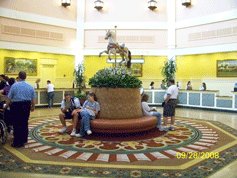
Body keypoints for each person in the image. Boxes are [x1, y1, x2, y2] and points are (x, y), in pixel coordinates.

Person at [6, 71, 35, 147]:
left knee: (16, 123)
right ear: (26, 77)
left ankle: (17, 142)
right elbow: (33, 98)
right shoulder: (30, 86)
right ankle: (24, 139)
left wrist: (6, 106)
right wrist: (33, 106)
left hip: (16, 106)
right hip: (26, 105)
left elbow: (9, 98)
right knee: (24, 122)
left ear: (18, 76)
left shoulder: (14, 86)